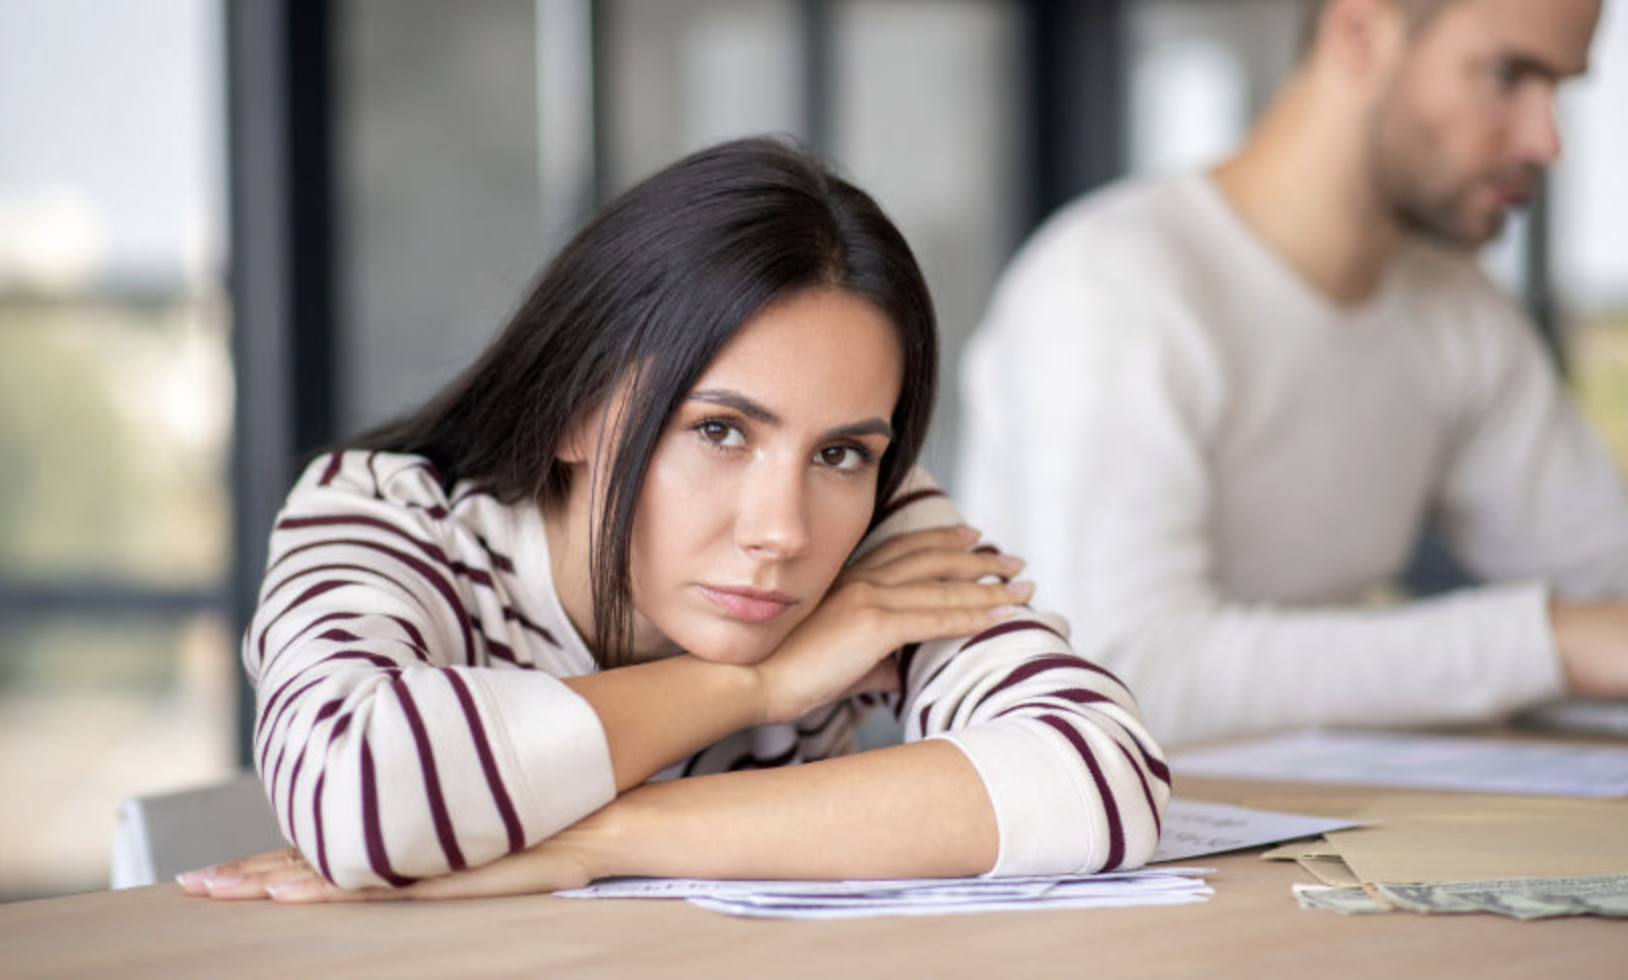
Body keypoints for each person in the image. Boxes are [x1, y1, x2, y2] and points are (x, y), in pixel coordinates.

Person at [175, 136, 1167, 902]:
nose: (782, 531)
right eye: (720, 431)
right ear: (575, 405)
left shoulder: (878, 525)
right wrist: (751, 683)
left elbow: (1097, 774)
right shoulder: (386, 513)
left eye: (839, 452)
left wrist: (599, 839)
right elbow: (356, 793)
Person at [956, 0, 1628, 748]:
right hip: (1099, 820)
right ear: (1361, 31)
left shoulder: (1458, 311)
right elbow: (1119, 669)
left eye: (1558, 86)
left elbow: (1627, 573)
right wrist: (1549, 640)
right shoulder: (1111, 283)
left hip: (1329, 804)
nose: (1546, 139)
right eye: (1508, 75)